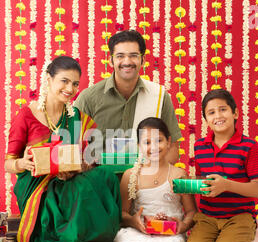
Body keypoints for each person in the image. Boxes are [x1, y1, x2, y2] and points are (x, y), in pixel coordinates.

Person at [4, 56, 121, 242]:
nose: (70, 89)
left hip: (70, 178)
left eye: (75, 84)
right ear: (48, 79)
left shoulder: (77, 116)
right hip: (37, 184)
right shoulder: (26, 116)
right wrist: (23, 163)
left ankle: (97, 238)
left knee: (105, 176)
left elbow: (93, 158)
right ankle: (71, 241)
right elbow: (9, 163)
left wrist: (80, 167)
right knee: (80, 188)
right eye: (64, 81)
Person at [74, 30, 181, 164]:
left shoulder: (159, 96)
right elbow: (70, 145)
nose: (127, 61)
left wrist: (154, 178)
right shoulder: (89, 98)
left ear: (143, 60)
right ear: (111, 61)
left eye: (133, 55)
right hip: (99, 181)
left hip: (143, 181)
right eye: (120, 56)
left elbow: (173, 149)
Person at [185, 89, 258, 242]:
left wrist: (226, 185)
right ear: (206, 119)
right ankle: (222, 239)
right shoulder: (200, 146)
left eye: (223, 109)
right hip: (209, 216)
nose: (218, 116)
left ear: (235, 113)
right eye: (211, 112)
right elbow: (202, 181)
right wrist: (186, 184)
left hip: (239, 216)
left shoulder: (249, 146)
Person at [112, 117, 197, 242]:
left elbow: (192, 211)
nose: (154, 147)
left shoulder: (179, 174)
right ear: (139, 146)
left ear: (169, 142)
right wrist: (134, 221)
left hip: (170, 235)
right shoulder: (131, 175)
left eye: (159, 140)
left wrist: (184, 225)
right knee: (122, 240)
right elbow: (122, 213)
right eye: (147, 142)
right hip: (140, 233)